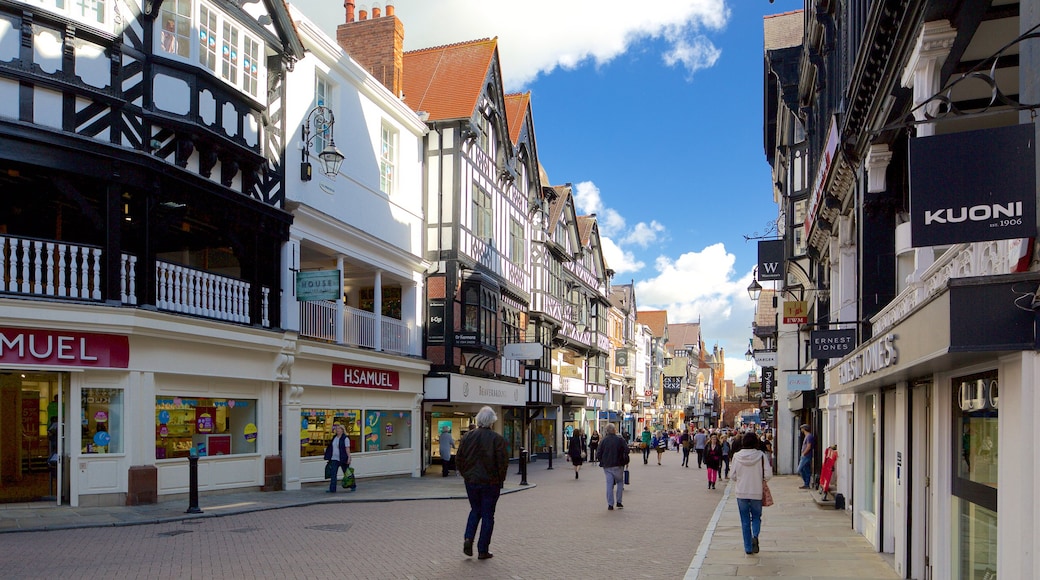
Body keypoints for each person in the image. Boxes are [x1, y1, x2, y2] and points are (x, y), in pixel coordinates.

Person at [456, 406, 509, 560]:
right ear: (492, 421)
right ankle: (483, 549)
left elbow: (459, 458)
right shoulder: (497, 439)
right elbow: (502, 462)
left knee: (475, 510)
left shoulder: (467, 437)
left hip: (472, 481)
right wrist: (500, 480)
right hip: (490, 482)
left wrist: (466, 474)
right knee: (488, 515)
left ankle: (468, 538)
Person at [731, 432, 771, 555]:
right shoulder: (761, 456)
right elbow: (768, 474)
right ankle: (755, 535)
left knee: (744, 520)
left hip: (741, 492)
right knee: (756, 517)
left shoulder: (737, 456)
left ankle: (748, 548)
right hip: (756, 491)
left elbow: (732, 476)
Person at [597, 423, 629, 510]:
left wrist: (602, 461)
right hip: (618, 464)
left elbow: (598, 453)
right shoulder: (620, 439)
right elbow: (627, 450)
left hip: (607, 466)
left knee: (609, 484)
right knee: (619, 482)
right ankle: (619, 502)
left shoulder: (603, 440)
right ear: (614, 430)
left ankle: (610, 504)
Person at [323, 424, 354, 493]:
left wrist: (349, 457)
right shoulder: (334, 438)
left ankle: (352, 486)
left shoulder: (345, 438)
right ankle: (332, 489)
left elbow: (347, 448)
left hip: (343, 458)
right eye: (336, 429)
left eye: (339, 429)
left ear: (342, 430)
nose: (337, 430)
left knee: (347, 473)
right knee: (333, 474)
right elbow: (331, 447)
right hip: (334, 458)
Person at [798, 424, 815, 489]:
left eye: (802, 429)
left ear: (804, 429)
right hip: (805, 455)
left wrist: (804, 453)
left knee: (800, 469)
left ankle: (806, 483)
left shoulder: (809, 436)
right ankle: (806, 484)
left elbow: (809, 446)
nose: (801, 430)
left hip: (806, 455)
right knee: (805, 469)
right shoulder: (807, 436)